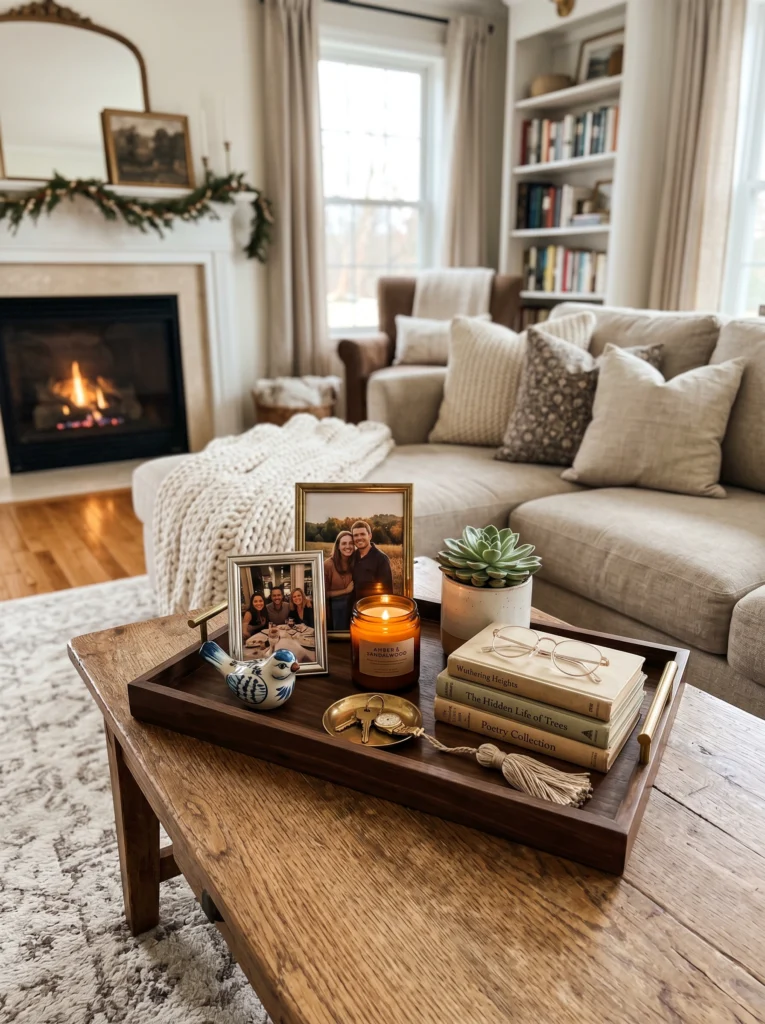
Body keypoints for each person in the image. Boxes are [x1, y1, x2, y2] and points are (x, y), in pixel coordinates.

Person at [350, 520, 393, 600]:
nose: (359, 538)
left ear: (370, 536)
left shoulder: (381, 559)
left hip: (371, 608)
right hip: (354, 608)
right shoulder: (352, 556)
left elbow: (387, 591)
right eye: (355, 535)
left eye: (362, 534)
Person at [324, 530, 355, 630]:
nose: (348, 546)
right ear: (338, 546)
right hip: (335, 605)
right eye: (344, 543)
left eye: (351, 543)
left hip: (353, 603)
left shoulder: (356, 561)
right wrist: (345, 590)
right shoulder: (328, 565)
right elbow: (323, 594)